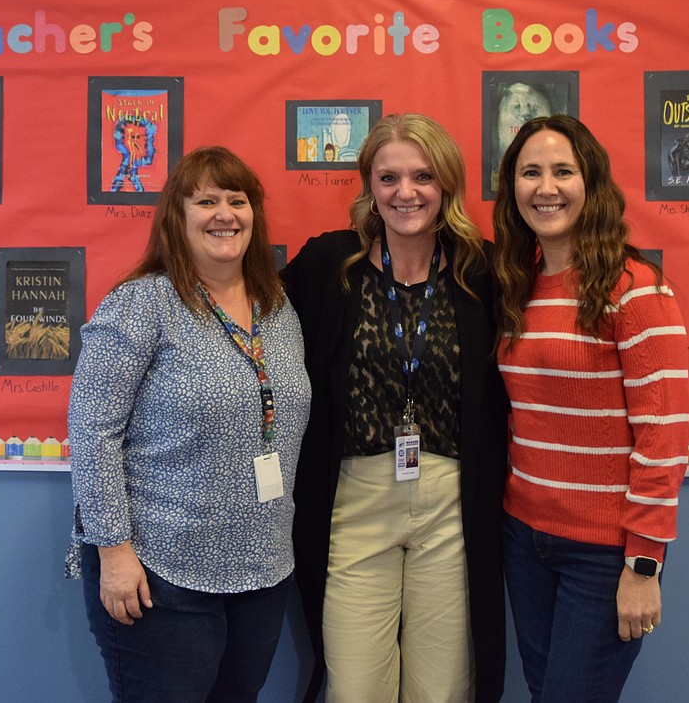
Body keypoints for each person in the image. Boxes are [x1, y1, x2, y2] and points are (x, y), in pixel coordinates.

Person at [66, 146, 311, 702]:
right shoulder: (142, 303)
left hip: (262, 571)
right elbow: (92, 429)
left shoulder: (278, 307)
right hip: (161, 573)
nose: (225, 214)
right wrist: (113, 551)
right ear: (177, 217)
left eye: (237, 200)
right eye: (206, 201)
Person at [282, 114, 509, 702]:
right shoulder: (329, 265)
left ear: (447, 185)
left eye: (422, 177)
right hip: (355, 504)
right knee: (354, 689)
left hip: (448, 507)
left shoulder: (481, 272)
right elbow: (247, 315)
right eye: (389, 178)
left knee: (444, 691)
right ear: (369, 186)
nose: (406, 193)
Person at [491, 115, 689, 702]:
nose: (545, 187)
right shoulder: (516, 283)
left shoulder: (634, 288)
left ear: (591, 183)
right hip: (524, 538)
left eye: (562, 171)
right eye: (530, 172)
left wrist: (644, 565)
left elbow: (664, 434)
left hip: (603, 555)